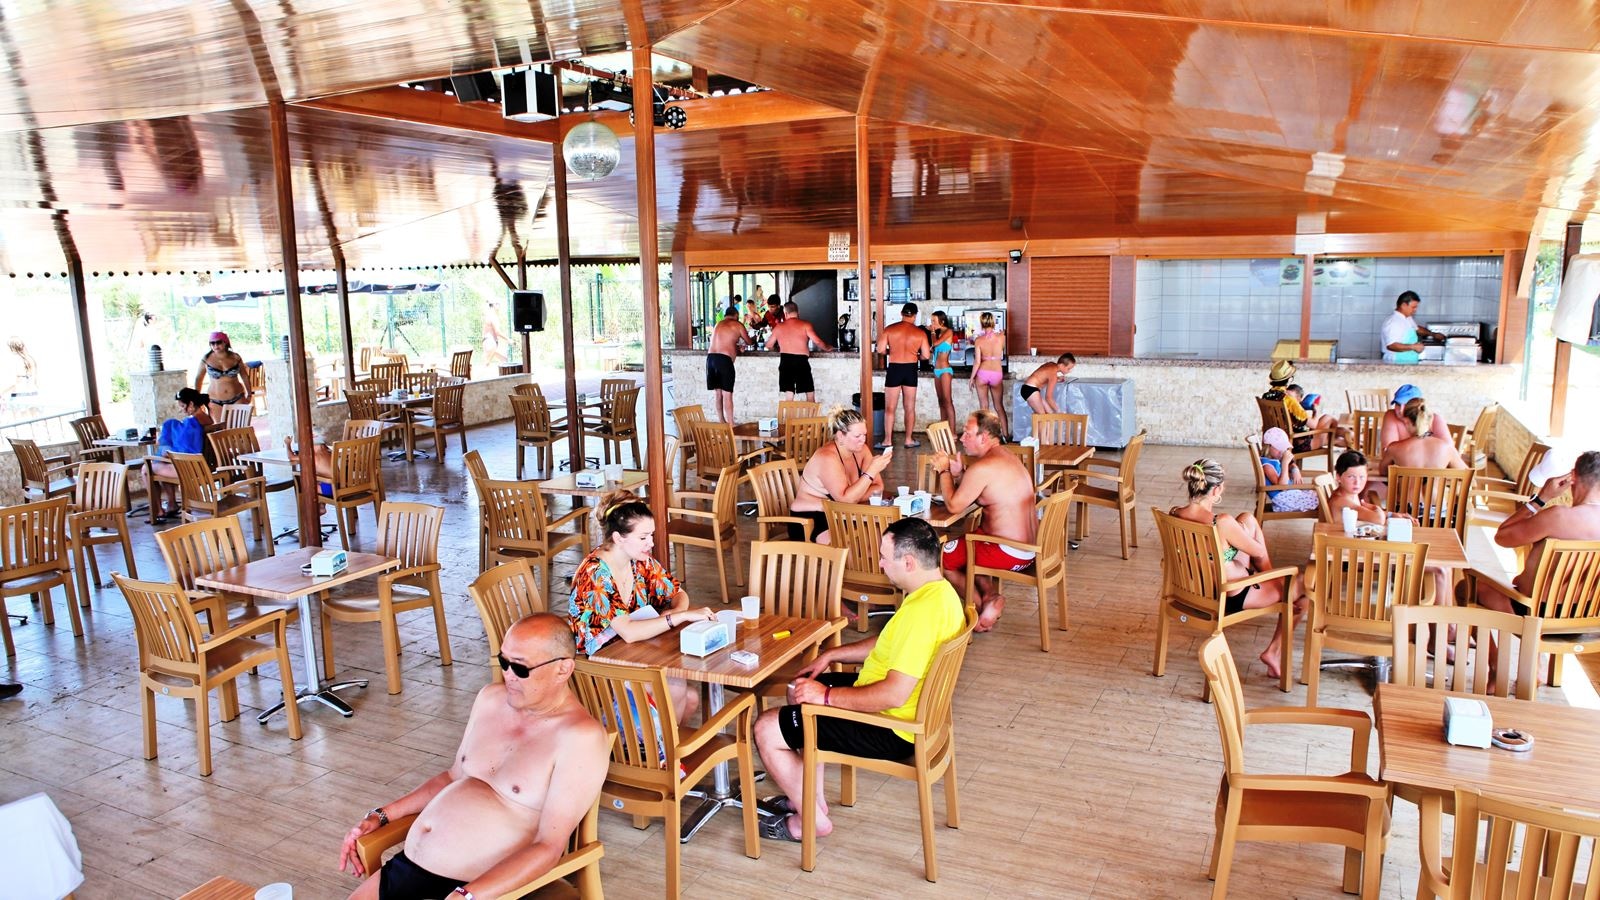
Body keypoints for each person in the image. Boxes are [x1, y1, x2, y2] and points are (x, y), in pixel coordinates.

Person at [337, 614, 608, 900]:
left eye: (520, 667)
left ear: (563, 669)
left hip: (482, 886)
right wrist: (382, 815)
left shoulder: (579, 738)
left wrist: (467, 895)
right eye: (503, 662)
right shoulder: (490, 699)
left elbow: (548, 847)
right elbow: (453, 776)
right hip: (411, 867)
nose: (508, 675)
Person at [751, 518, 965, 844]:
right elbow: (888, 643)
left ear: (908, 562)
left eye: (884, 556)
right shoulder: (939, 595)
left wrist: (825, 698)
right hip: (906, 713)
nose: (879, 563)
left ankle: (810, 822)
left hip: (891, 727)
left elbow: (893, 694)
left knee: (766, 726)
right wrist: (833, 655)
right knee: (800, 688)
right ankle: (810, 799)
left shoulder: (922, 612)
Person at [567, 491, 718, 719]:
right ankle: (660, 751)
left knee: (691, 699)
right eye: (643, 537)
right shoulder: (595, 573)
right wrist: (678, 618)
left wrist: (678, 610)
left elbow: (677, 593)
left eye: (652, 535)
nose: (651, 543)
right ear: (618, 538)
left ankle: (659, 748)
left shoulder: (640, 561)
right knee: (676, 686)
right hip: (598, 664)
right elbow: (627, 631)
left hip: (634, 651)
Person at [1170, 459, 1305, 679]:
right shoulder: (1221, 522)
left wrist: (1240, 532)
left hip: (1198, 587)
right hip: (1230, 595)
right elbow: (1259, 551)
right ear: (1217, 489)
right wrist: (1239, 537)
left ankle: (1271, 581)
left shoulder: (1175, 513)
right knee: (1303, 588)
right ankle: (1273, 651)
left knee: (1248, 519)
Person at [933, 409, 1037, 631]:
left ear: (985, 437)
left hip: (1006, 552)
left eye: (967, 433)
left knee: (943, 558)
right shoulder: (1008, 457)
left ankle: (977, 612)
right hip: (1028, 550)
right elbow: (984, 495)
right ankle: (990, 597)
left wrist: (944, 472)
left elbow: (953, 505)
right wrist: (960, 475)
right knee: (973, 539)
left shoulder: (982, 467)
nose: (962, 438)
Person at [1473, 450, 1600, 614]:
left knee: (1470, 588)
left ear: (1572, 476)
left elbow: (1502, 537)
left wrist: (1541, 499)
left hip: (1535, 613)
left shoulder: (1557, 517)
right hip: (1587, 615)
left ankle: (1493, 640)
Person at [790, 408, 892, 543]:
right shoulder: (827, 458)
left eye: (864, 435)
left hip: (842, 513)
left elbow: (878, 487)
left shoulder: (861, 450)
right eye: (857, 436)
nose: (862, 440)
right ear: (840, 436)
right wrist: (871, 472)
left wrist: (854, 496)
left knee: (884, 539)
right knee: (854, 550)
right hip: (812, 519)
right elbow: (846, 500)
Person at [146, 388, 216, 521]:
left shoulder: (192, 424)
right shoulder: (207, 419)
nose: (182, 410)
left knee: (146, 469)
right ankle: (171, 505)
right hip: (204, 465)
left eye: (183, 406)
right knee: (161, 464)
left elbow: (185, 450)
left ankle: (157, 510)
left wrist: (168, 453)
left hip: (190, 469)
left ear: (191, 404)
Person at [878, 303, 930, 449]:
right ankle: (908, 439)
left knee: (890, 408)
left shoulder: (890, 329)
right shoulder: (920, 333)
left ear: (901, 313)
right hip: (910, 369)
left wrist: (891, 352)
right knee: (909, 407)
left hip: (894, 368)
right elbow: (926, 355)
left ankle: (887, 441)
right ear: (915, 315)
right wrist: (916, 356)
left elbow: (881, 350)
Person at [1378, 397, 1466, 475]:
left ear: (1407, 422)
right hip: (1437, 494)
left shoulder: (1394, 448)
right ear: (1429, 420)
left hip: (1404, 494)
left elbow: (1383, 472)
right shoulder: (1447, 448)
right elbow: (1467, 475)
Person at [1262, 360, 1338, 450]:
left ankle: (1347, 438)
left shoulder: (1265, 397)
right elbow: (1314, 425)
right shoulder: (1289, 400)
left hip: (1275, 442)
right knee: (1327, 418)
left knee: (1338, 437)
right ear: (1290, 380)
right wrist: (1316, 410)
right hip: (1295, 444)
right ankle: (1349, 440)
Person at [768, 300, 833, 402]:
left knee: (789, 396)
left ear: (785, 313)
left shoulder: (779, 327)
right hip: (801, 361)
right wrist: (828, 348)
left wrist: (779, 347)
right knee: (809, 393)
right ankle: (810, 418)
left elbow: (769, 345)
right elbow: (817, 341)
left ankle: (788, 418)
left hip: (785, 361)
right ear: (798, 313)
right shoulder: (805, 325)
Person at [705, 306, 750, 424]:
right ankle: (731, 425)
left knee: (718, 393)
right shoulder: (737, 324)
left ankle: (722, 421)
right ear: (736, 315)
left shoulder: (718, 324)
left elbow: (725, 343)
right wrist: (743, 345)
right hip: (724, 360)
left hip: (711, 359)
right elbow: (749, 341)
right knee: (727, 393)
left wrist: (736, 346)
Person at [194, 331, 252, 422]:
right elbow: (199, 378)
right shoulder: (206, 359)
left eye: (218, 342)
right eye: (212, 343)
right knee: (220, 430)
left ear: (225, 342)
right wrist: (196, 399)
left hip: (237, 397)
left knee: (239, 428)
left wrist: (249, 393)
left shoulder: (235, 357)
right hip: (215, 400)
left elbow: (244, 376)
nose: (215, 345)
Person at [1259, 427, 1319, 514]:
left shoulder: (1275, 458)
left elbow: (1292, 464)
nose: (1282, 451)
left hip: (1290, 494)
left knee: (1321, 495)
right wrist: (1285, 464)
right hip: (1284, 500)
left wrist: (1295, 470)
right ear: (1269, 446)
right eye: (1279, 447)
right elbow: (1282, 486)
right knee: (1321, 500)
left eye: (1284, 448)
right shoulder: (1267, 465)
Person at [969, 312, 1008, 438]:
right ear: (993, 322)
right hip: (996, 373)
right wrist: (1002, 333)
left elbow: (977, 362)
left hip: (982, 373)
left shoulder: (979, 340)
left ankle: (985, 437)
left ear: (981, 324)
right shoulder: (1002, 337)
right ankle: (1005, 435)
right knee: (999, 407)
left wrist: (972, 378)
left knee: (984, 408)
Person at [1381, 290, 1445, 364]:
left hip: (1408, 361)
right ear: (1404, 305)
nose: (1415, 310)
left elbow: (1417, 329)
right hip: (1396, 362)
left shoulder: (1407, 318)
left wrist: (1433, 334)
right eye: (1413, 307)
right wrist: (1413, 347)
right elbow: (1391, 345)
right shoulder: (1393, 322)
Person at [1379, 384, 1450, 450]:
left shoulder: (1435, 420)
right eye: (1398, 404)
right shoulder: (1391, 415)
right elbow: (1387, 451)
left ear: (1418, 406)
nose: (1401, 410)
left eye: (1407, 404)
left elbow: (1449, 451)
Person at [1326, 450, 1387, 524]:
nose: (1357, 482)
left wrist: (1391, 515)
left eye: (1362, 477)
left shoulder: (1350, 494)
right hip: (1342, 535)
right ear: (1338, 477)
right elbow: (1378, 519)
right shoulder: (1341, 501)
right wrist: (1375, 507)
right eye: (1351, 477)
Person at [927, 311, 958, 434]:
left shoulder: (948, 332)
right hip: (936, 369)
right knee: (940, 400)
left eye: (934, 321)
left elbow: (935, 343)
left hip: (945, 369)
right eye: (932, 321)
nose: (932, 323)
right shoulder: (938, 334)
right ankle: (944, 430)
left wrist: (932, 331)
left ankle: (953, 432)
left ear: (942, 321)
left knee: (947, 400)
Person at [1019, 352, 1075, 417]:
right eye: (1068, 368)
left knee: (1049, 413)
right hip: (1030, 389)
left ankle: (1046, 426)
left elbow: (1042, 376)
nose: (1069, 371)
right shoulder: (1053, 374)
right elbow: (1048, 397)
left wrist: (1057, 379)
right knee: (1043, 417)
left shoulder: (1051, 365)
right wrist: (1059, 411)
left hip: (1029, 388)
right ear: (1062, 365)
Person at [481, 302, 509, 370]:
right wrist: (508, 339)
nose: (499, 305)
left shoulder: (488, 316)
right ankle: (476, 379)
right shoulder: (493, 317)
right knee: (487, 364)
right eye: (497, 303)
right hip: (490, 342)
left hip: (488, 342)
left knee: (504, 360)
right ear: (493, 305)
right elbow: (497, 332)